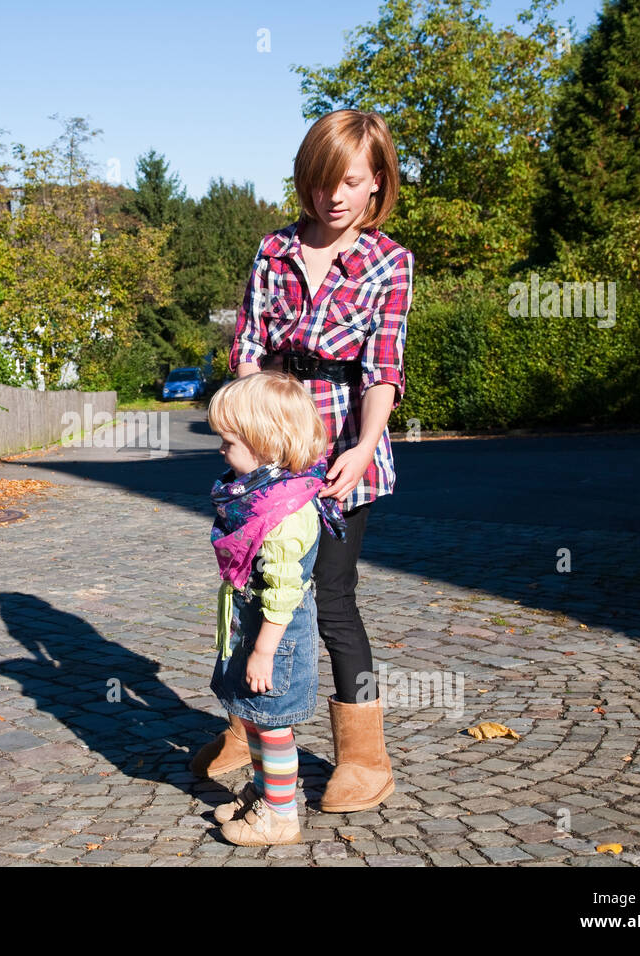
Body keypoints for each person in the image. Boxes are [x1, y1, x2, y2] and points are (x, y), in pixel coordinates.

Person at [190, 109, 413, 816]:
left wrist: (361, 445)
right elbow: (247, 351)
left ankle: (364, 756)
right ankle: (248, 729)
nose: (335, 198)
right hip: (270, 452)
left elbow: (383, 370)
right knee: (256, 592)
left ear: (378, 183)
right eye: (322, 183)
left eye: (351, 183)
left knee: (334, 603)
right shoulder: (272, 251)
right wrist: (249, 434)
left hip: (346, 450)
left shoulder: (390, 263)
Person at [206, 372, 347, 845]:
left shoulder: (286, 513)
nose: (221, 451)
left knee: (272, 726)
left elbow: (284, 593)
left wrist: (264, 651)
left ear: (265, 444)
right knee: (253, 718)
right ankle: (266, 794)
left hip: (276, 635)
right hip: (254, 625)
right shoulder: (261, 496)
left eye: (228, 442)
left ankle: (281, 816)